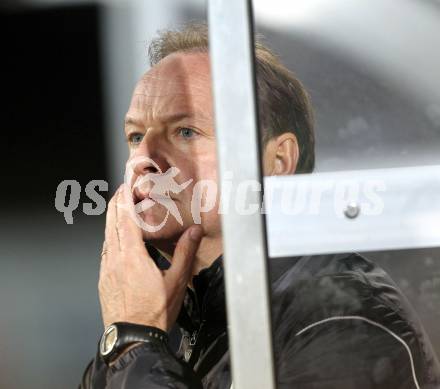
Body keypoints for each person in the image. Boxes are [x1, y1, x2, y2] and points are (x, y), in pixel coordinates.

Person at [80, 24, 440, 388]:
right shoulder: (171, 325)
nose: (142, 159)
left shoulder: (341, 319)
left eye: (185, 132)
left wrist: (132, 343)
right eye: (136, 136)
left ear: (277, 162)